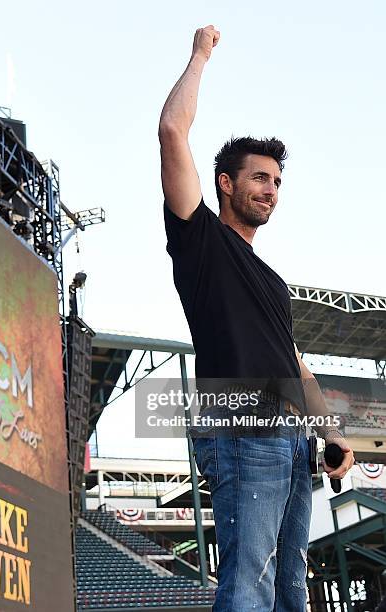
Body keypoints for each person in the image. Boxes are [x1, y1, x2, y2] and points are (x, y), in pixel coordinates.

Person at [158, 25, 355, 612]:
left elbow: (298, 369)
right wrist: (200, 56)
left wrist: (332, 434)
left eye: (277, 182)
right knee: (248, 589)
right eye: (260, 178)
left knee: (291, 593)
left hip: (294, 442)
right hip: (244, 429)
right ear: (226, 184)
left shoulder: (272, 281)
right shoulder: (201, 243)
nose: (271, 190)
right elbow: (172, 130)